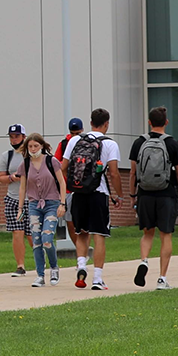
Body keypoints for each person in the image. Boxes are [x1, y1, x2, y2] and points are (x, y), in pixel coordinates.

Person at [130, 106, 178, 289]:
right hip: (166, 194)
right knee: (166, 235)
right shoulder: (172, 144)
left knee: (148, 233)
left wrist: (133, 195)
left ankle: (144, 261)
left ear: (149, 122)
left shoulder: (139, 142)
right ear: (166, 122)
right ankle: (162, 278)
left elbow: (133, 173)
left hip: (145, 194)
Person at [64, 108, 122, 289]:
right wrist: (118, 195)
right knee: (99, 236)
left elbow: (63, 166)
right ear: (106, 124)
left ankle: (81, 266)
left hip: (78, 193)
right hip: (99, 193)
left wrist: (72, 184)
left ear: (90, 123)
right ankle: (97, 279)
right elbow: (113, 173)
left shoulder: (75, 140)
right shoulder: (110, 144)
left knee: (81, 233)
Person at [17, 132, 67, 286]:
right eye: (30, 146)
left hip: (51, 204)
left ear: (42, 146)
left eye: (36, 146)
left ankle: (54, 267)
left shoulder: (51, 161)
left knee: (47, 239)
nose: (33, 149)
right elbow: (23, 187)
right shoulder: (25, 164)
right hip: (34, 205)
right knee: (36, 240)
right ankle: (40, 274)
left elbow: (62, 182)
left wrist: (62, 203)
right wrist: (20, 208)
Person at [0, 123, 30, 278]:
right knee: (18, 232)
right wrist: (12, 177)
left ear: (24, 137)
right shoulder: (7, 156)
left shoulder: (32, 154)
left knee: (32, 234)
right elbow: (1, 177)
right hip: (13, 200)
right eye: (11, 136)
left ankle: (43, 261)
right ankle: (20, 265)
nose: (14, 139)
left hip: (31, 200)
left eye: (17, 136)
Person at [54, 117, 85, 248]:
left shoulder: (87, 143)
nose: (74, 136)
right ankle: (79, 251)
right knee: (70, 222)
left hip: (84, 188)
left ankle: (82, 251)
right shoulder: (64, 144)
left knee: (83, 224)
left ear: (82, 131)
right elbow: (55, 163)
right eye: (72, 133)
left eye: (77, 133)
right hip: (68, 189)